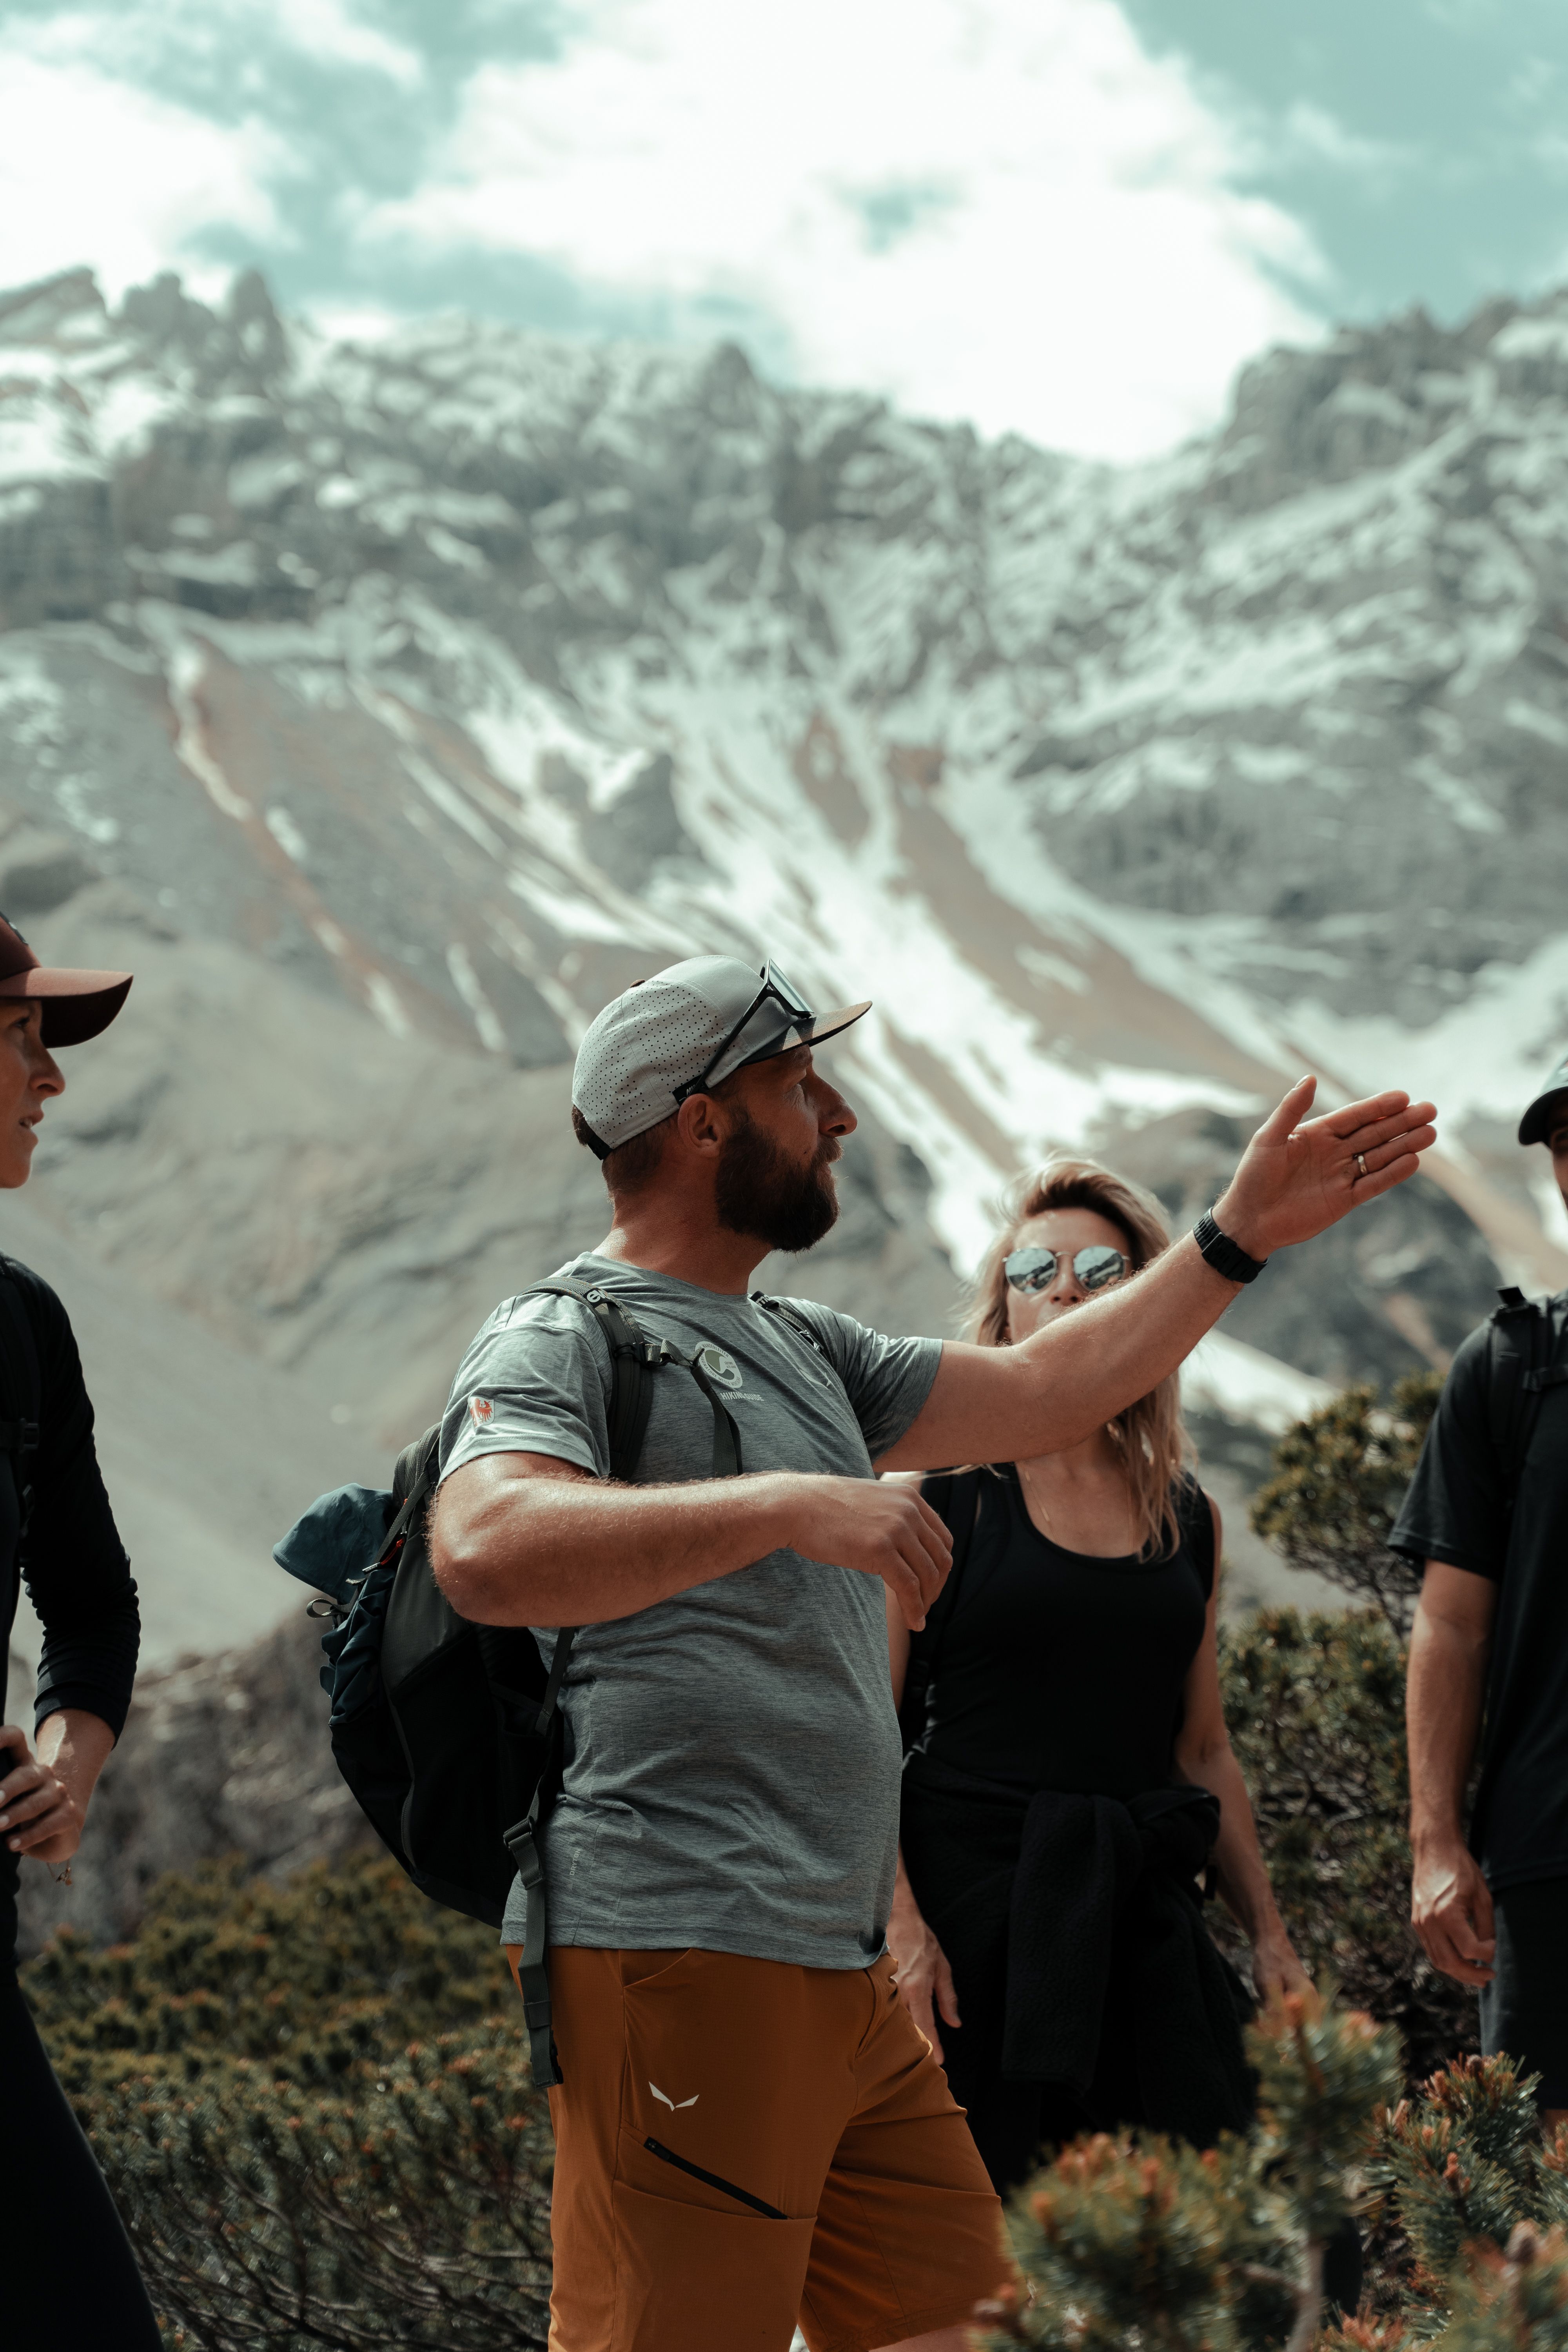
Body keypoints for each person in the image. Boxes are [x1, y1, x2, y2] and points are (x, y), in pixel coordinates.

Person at [428, 952, 1436, 2352]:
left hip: (839, 1978)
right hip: (682, 1948)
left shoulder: (806, 1347)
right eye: (799, 1084)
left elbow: (1046, 1389)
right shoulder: (570, 1330)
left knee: (965, 2330)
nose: (838, 1116)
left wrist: (1233, 1238)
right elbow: (483, 1546)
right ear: (703, 1121)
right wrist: (795, 1506)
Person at [886, 1158, 1308, 2198]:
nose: (1063, 1287)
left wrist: (1269, 1932)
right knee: (984, 2260)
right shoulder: (936, 1495)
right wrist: (899, 1934)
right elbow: (860, 1727)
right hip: (968, 1919)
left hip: (1137, 1914)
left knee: (1259, 2223)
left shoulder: (1188, 1518)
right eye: (1033, 1268)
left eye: (1099, 1269)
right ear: (1004, 1306)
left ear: (1148, 1305)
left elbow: (1202, 1747)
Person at [0, 916, 155, 2341]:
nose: (50, 1081)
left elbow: (94, 1602)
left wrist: (68, 1760)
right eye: (21, 1037)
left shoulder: (22, 1328)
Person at [1396, 1046, 1568, 2130]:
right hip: (1551, 1861)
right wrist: (1434, 1842)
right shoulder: (1511, 1368)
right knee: (1542, 2226)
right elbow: (1451, 1625)